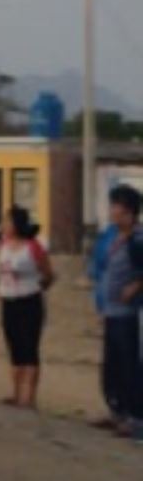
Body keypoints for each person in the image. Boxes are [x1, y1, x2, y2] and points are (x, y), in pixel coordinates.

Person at [88, 184, 143, 436]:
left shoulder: (138, 240)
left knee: (128, 365)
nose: (112, 213)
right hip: (110, 310)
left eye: (117, 209)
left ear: (130, 213)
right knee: (111, 365)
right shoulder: (111, 237)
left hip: (128, 314)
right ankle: (116, 410)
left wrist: (135, 285)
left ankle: (134, 416)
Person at [0, 205, 53, 410]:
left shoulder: (32, 246)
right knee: (14, 348)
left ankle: (29, 397)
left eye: (7, 221)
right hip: (8, 301)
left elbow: (48, 272)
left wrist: (39, 286)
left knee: (29, 348)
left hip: (29, 301)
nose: (4, 225)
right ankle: (16, 393)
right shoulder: (3, 244)